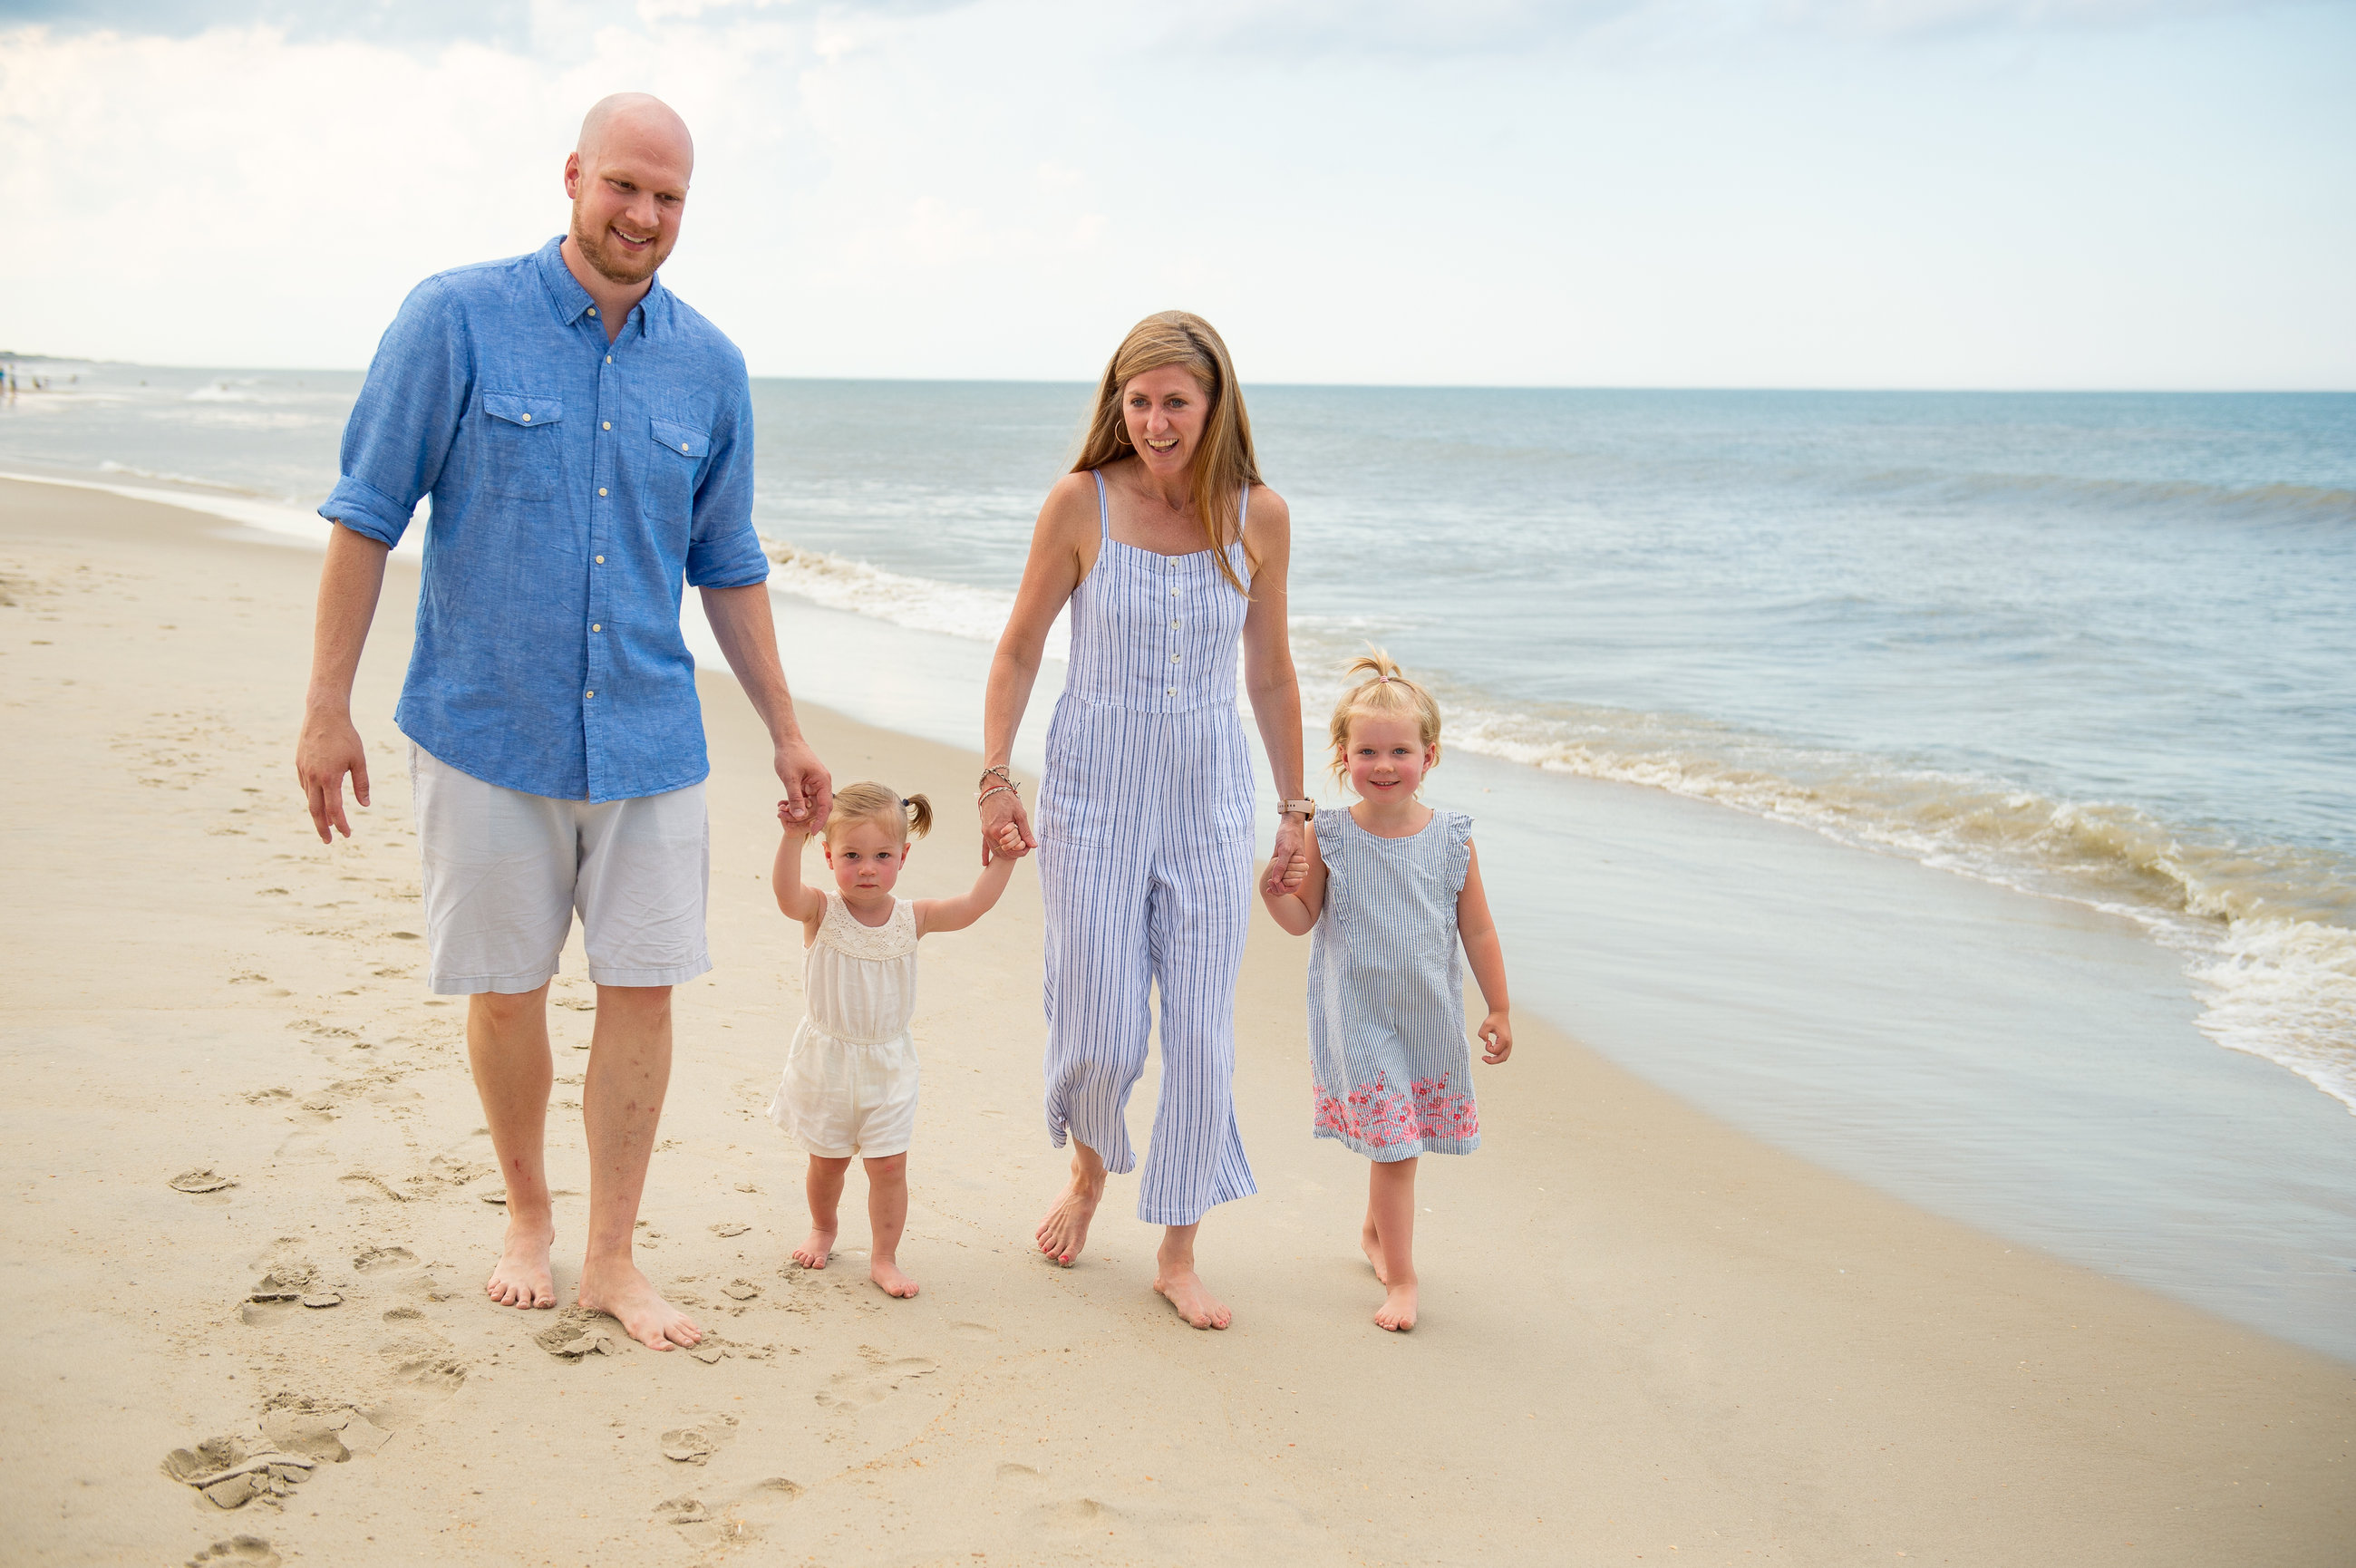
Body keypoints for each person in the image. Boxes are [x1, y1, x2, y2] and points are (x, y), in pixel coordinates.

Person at [293, 93, 832, 1351]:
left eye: (669, 199)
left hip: (650, 736)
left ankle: (610, 1254)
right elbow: (365, 511)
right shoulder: (453, 318)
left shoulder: (710, 367)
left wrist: (787, 729)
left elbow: (728, 557)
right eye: (626, 187)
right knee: (506, 988)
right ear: (575, 176)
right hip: (484, 727)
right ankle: (528, 1216)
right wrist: (327, 707)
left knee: (643, 990)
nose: (643, 217)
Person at [979, 311, 1310, 1331]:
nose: (1157, 421)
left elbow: (1268, 669)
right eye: (1139, 401)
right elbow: (1021, 647)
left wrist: (1296, 809)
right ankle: (1088, 1171)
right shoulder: (1081, 503)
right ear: (1116, 406)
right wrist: (995, 774)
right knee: (1103, 1026)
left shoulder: (1260, 516)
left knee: (1205, 1034)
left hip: (1211, 797)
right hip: (1094, 790)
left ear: (1215, 405)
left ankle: (1177, 1246)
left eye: (1176, 401)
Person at [1259, 652, 1513, 1331]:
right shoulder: (1329, 835)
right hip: (1359, 1017)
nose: (1382, 764)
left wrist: (1499, 1007)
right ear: (1342, 757)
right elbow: (1300, 921)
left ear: (1428, 756)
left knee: (1401, 1140)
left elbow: (1479, 931)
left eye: (1399, 750)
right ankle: (1402, 1279)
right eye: (1367, 750)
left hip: (1428, 1016)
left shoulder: (1452, 840)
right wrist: (1274, 893)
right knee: (1396, 1147)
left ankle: (1376, 1234)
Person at [768, 782, 1016, 1298]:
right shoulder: (821, 910)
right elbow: (785, 896)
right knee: (827, 1163)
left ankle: (884, 1257)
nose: (866, 868)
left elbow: (971, 906)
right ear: (829, 854)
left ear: (902, 857)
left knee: (889, 1166)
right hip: (827, 1063)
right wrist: (792, 837)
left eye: (882, 856)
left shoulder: (913, 917)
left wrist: (1004, 862)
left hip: (889, 1065)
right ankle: (824, 1227)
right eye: (851, 856)